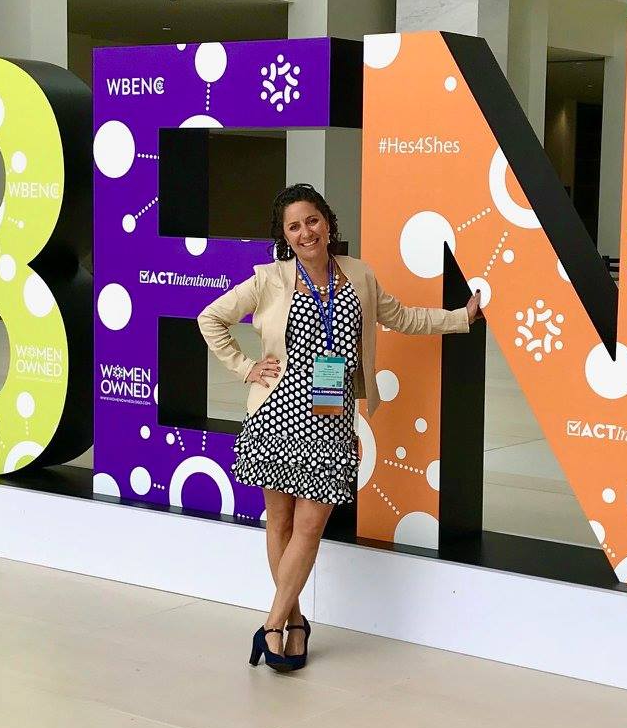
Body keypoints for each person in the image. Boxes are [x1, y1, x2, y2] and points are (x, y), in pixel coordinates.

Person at [198, 184, 481, 673]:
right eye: (294, 226)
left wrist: (460, 317)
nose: (305, 231)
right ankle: (295, 621)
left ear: (327, 222)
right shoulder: (269, 280)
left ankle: (270, 624)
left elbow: (402, 317)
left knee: (309, 527)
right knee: (281, 524)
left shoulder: (359, 277)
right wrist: (246, 367)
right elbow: (211, 318)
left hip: (330, 420)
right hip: (275, 416)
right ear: (284, 237)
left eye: (312, 220)